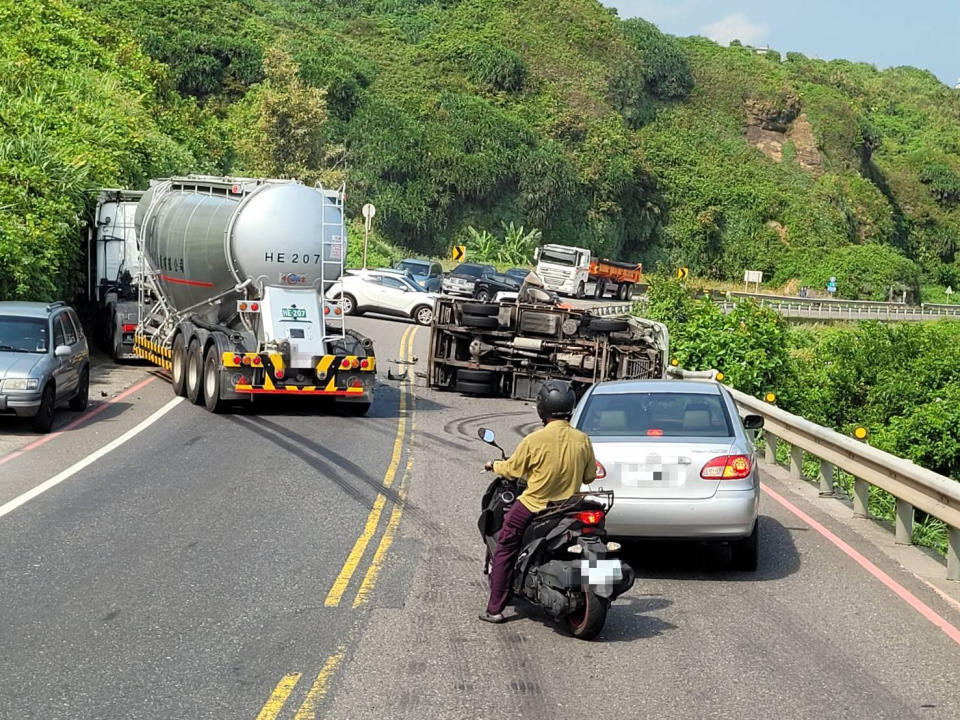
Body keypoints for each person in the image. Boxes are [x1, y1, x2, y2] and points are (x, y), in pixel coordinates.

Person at [478, 380, 598, 624]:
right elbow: (589, 476)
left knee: (505, 547)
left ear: (541, 408)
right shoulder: (582, 439)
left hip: (535, 505)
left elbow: (512, 470)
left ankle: (495, 609)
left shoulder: (535, 440)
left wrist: (493, 465)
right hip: (569, 506)